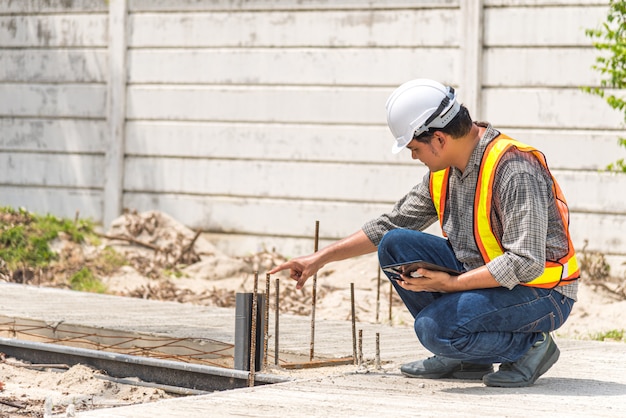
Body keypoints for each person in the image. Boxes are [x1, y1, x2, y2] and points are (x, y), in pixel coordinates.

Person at [268, 79, 579, 387]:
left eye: (415, 148)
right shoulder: (444, 170)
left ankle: (531, 347)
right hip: (486, 277)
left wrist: (453, 284)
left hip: (542, 292)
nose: (413, 156)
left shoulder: (514, 170)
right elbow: (389, 224)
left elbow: (526, 263)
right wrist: (320, 258)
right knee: (395, 245)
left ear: (439, 139)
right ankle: (466, 355)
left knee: (434, 331)